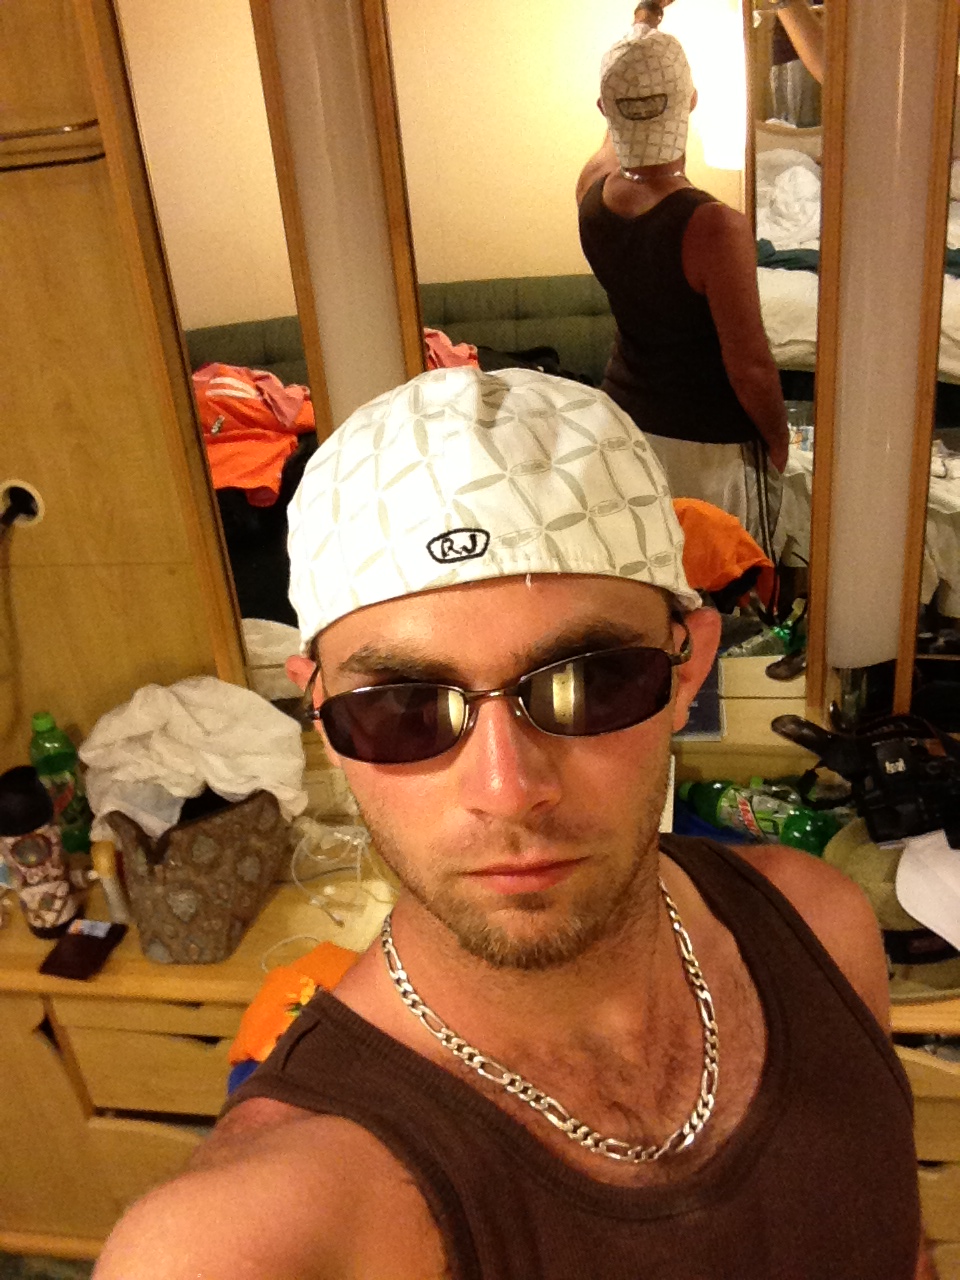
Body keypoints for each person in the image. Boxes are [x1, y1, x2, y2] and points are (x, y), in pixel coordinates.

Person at [94, 368, 928, 1280]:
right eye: (402, 706)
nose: (507, 787)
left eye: (589, 683)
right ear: (324, 717)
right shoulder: (251, 1232)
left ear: (687, 670)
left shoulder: (822, 924)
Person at [577, 23, 788, 557]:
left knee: (650, 582)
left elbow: (614, 142)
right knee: (721, 587)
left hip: (623, 432)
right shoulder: (715, 226)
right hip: (707, 452)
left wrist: (644, 22)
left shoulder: (591, 190)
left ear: (603, 109)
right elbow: (751, 367)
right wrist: (779, 440)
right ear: (691, 100)